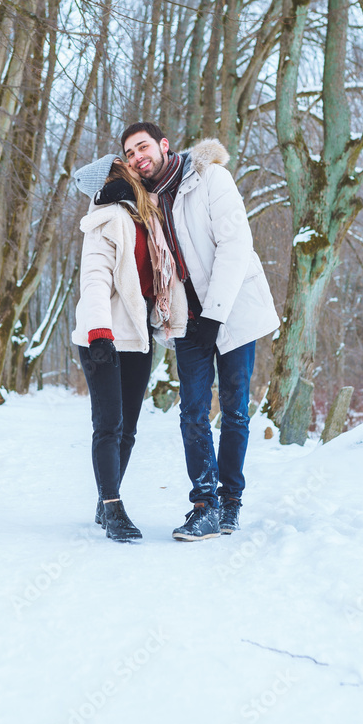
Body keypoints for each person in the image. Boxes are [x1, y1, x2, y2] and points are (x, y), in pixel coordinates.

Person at [96, 122, 279, 541]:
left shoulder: (211, 178)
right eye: (130, 153)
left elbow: (236, 245)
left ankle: (231, 501)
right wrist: (109, 196)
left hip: (230, 311)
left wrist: (215, 314)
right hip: (188, 321)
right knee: (193, 412)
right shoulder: (147, 200)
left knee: (233, 408)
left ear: (163, 145)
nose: (138, 156)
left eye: (143, 147)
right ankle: (204, 505)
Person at [72, 154, 188, 542]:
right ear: (114, 176)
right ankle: (112, 506)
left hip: (136, 336)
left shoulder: (144, 215)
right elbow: (94, 279)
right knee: (109, 425)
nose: (136, 168)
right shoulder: (107, 217)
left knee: (129, 429)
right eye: (124, 167)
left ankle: (107, 499)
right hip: (103, 336)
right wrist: (99, 332)